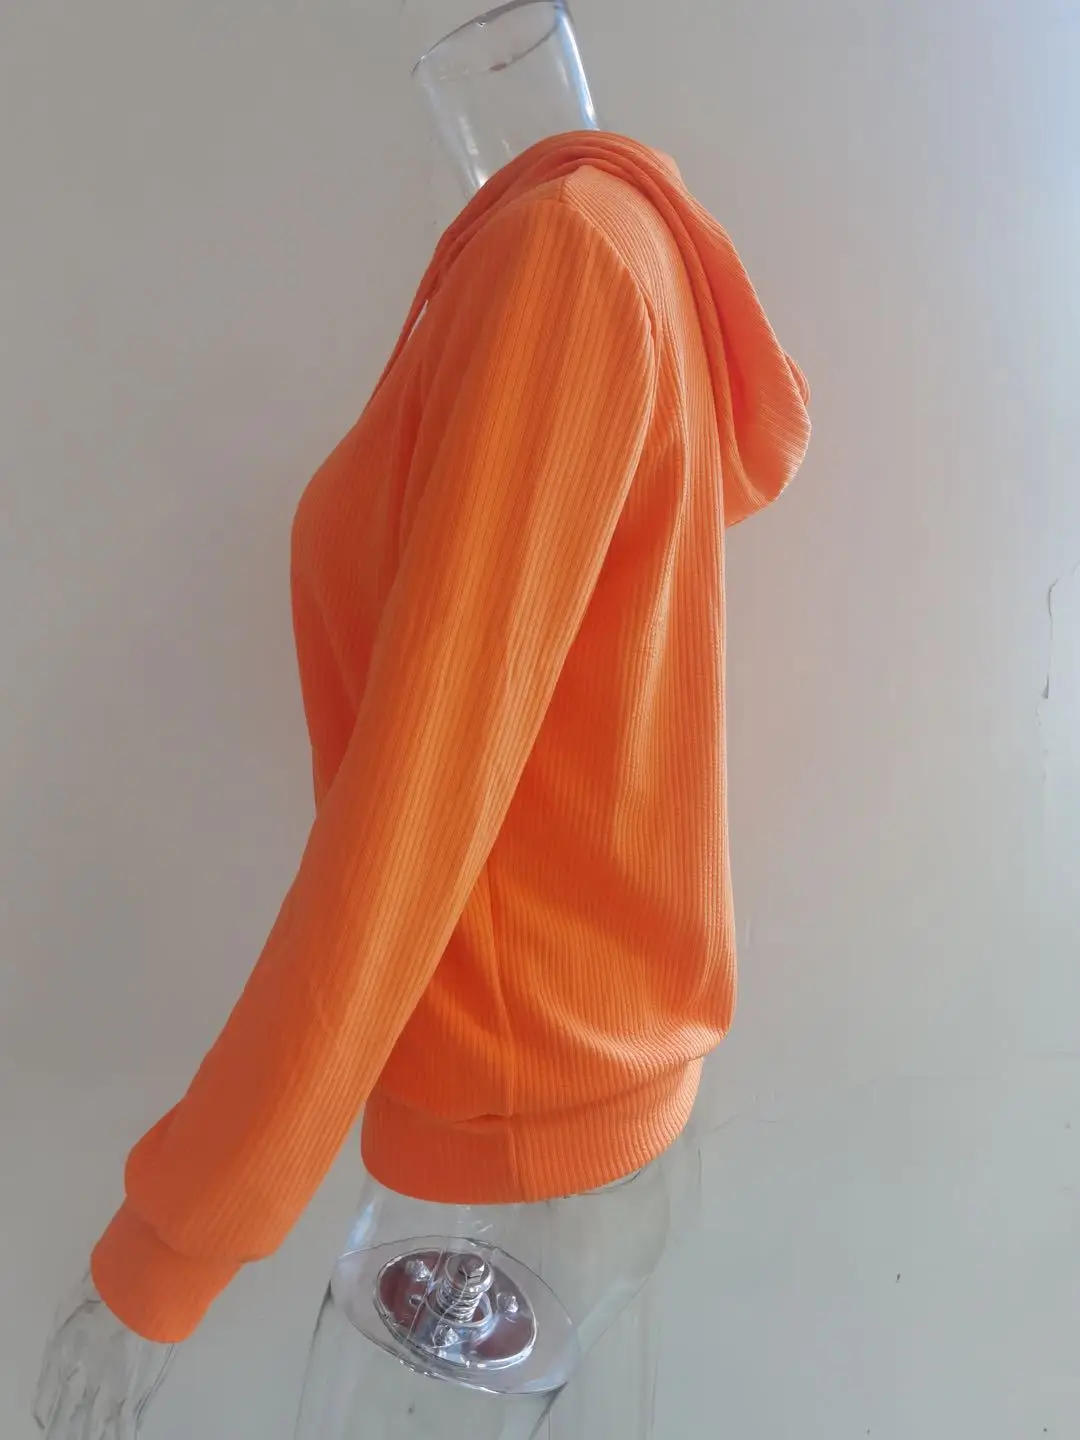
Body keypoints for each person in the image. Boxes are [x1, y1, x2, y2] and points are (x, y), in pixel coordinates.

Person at [34, 4, 809, 1436]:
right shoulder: (615, 247)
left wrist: (167, 1253)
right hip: (597, 1126)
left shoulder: (563, 263)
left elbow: (414, 805)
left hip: (509, 1156)